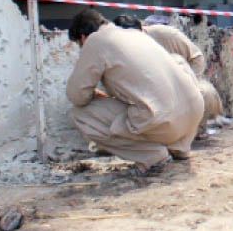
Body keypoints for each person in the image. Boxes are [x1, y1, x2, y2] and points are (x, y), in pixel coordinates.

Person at [67, 9, 204, 175]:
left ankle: (152, 156)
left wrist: (94, 94)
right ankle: (179, 149)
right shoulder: (135, 33)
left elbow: (76, 96)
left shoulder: (96, 41)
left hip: (165, 121)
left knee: (80, 114)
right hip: (193, 115)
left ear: (82, 37)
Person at [112, 15, 223, 137]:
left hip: (181, 83)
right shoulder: (116, 48)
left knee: (206, 93)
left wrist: (189, 84)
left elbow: (196, 57)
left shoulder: (164, 34)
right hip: (147, 92)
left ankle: (196, 129)